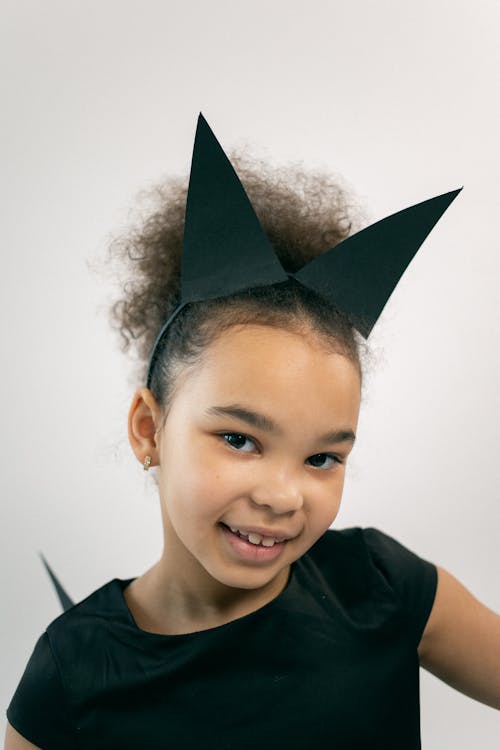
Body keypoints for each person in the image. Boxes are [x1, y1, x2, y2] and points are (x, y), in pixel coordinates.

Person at [4, 115, 499, 750]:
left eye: (322, 456)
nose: (283, 496)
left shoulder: (380, 587)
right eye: (240, 439)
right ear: (149, 428)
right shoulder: (74, 670)